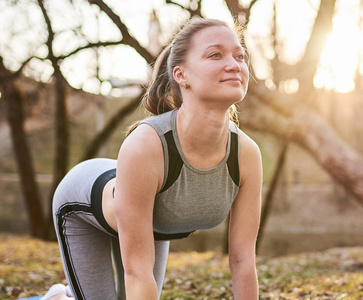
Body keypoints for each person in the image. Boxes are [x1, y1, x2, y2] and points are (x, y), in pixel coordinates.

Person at [43, 17, 262, 300]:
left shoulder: (246, 154)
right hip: (83, 208)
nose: (234, 64)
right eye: (215, 54)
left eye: (239, 55)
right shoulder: (146, 145)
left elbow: (243, 260)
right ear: (181, 75)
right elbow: (137, 271)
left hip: (151, 217)